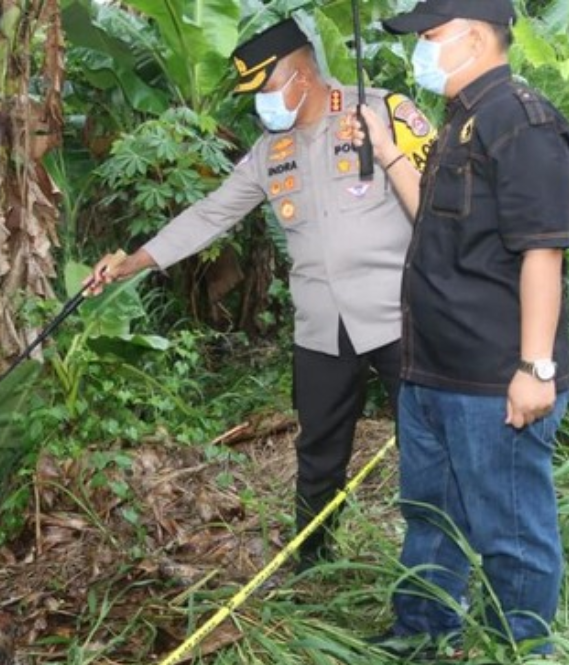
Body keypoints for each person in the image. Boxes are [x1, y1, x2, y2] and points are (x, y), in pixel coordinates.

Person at [85, 18, 436, 573]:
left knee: (427, 445)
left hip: (400, 317)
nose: (261, 105)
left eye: (267, 89)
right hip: (322, 327)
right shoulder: (271, 151)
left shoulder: (381, 112)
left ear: (302, 76)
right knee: (318, 451)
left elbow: (440, 201)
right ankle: (311, 561)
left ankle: (435, 570)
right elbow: (211, 213)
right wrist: (133, 261)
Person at [357, 0, 569, 662]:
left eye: (431, 36)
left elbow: (543, 252)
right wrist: (389, 152)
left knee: (510, 529)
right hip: (433, 367)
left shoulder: (521, 124)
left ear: (477, 38)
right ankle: (424, 629)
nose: (422, 50)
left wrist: (535, 368)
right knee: (430, 512)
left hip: (493, 377)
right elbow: (437, 221)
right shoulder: (464, 120)